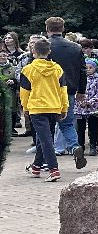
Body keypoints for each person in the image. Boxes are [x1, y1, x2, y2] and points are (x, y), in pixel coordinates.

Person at [19, 37, 68, 182]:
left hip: (37, 108)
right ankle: (36, 167)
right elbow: (62, 90)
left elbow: (24, 92)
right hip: (54, 107)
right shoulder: (57, 68)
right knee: (45, 138)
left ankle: (53, 169)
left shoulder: (28, 70)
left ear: (33, 51)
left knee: (45, 140)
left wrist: (25, 108)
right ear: (49, 51)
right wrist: (64, 107)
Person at [44, 17, 85, 166]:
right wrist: (82, 90)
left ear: (47, 29)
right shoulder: (75, 47)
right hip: (68, 90)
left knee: (46, 126)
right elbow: (82, 71)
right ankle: (74, 146)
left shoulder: (44, 47)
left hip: (47, 91)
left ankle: (44, 161)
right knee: (67, 124)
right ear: (63, 29)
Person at [74, 57, 98, 159]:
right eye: (86, 67)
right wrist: (81, 102)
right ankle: (80, 147)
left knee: (93, 127)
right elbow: (75, 92)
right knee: (80, 128)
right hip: (80, 108)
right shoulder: (79, 78)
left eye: (90, 67)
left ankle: (93, 146)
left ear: (95, 68)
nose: (88, 69)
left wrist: (90, 102)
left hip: (93, 108)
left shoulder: (97, 79)